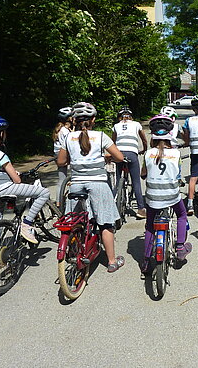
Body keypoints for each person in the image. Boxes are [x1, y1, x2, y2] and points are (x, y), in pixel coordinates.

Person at [0, 116, 50, 272]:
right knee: (43, 193)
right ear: (1, 134)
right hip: (4, 189)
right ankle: (27, 224)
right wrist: (16, 174)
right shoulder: (1, 156)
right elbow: (16, 180)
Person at [57, 102, 125, 273]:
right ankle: (111, 261)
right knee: (105, 223)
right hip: (99, 184)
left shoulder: (68, 138)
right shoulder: (101, 136)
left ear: (74, 120)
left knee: (75, 221)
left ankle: (75, 251)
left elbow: (61, 162)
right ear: (93, 120)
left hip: (77, 185)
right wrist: (105, 157)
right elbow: (119, 157)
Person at [139, 115, 192, 273]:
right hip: (171, 196)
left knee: (150, 226)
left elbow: (143, 174)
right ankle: (181, 247)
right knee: (181, 215)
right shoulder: (176, 154)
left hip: (152, 198)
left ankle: (147, 260)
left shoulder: (148, 154)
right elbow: (178, 174)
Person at [112, 106, 148, 219]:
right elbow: (144, 139)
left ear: (120, 117)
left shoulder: (116, 126)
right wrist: (144, 149)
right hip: (132, 153)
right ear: (130, 117)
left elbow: (112, 142)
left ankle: (113, 208)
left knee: (117, 180)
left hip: (118, 153)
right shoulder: (136, 124)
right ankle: (141, 209)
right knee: (136, 181)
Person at [53, 107, 73, 206]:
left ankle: (59, 201)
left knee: (61, 179)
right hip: (65, 155)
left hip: (57, 155)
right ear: (68, 119)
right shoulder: (65, 131)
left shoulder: (60, 129)